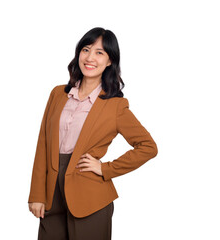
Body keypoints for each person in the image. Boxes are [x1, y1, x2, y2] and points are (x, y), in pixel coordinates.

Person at [28, 27, 158, 240]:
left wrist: (106, 168)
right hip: (52, 195)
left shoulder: (115, 105)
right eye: (86, 49)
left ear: (109, 61)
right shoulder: (58, 94)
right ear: (78, 53)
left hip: (90, 197)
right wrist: (36, 195)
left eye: (99, 52)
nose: (90, 57)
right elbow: (42, 143)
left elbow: (148, 147)